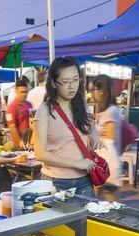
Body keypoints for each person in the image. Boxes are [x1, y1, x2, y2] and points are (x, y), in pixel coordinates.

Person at [34, 56, 105, 197]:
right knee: (59, 220)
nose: (72, 86)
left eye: (75, 80)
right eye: (65, 82)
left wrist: (95, 138)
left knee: (88, 218)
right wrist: (77, 163)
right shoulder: (45, 111)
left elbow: (91, 128)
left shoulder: (82, 105)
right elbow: (39, 153)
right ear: (54, 83)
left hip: (84, 179)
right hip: (56, 181)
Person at [91, 74, 123, 200]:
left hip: (107, 166)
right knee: (93, 203)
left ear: (102, 91)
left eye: (93, 89)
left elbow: (110, 140)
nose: (92, 93)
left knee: (111, 207)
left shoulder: (111, 111)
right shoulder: (104, 111)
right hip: (101, 165)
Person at [6, 79, 33, 146]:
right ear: (16, 91)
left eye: (26, 92)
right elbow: (12, 127)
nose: (24, 94)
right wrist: (20, 142)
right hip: (18, 145)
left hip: (29, 143)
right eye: (21, 92)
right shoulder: (12, 107)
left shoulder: (29, 104)